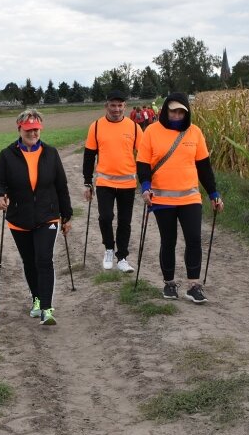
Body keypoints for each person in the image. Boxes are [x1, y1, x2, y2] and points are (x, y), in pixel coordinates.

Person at [136, 92, 224, 303]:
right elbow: (143, 164)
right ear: (166, 110)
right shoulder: (151, 132)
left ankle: (194, 285)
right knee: (169, 241)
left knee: (194, 239)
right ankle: (169, 284)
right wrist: (146, 188)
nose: (177, 115)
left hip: (190, 197)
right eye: (173, 110)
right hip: (162, 198)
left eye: (181, 112)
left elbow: (204, 167)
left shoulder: (195, 133)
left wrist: (213, 193)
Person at [0, 109, 73, 325]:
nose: (33, 133)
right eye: (29, 129)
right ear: (19, 129)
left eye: (36, 129)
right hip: (19, 218)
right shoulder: (7, 155)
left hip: (48, 216)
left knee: (44, 259)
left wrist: (67, 216)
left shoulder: (51, 153)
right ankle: (36, 300)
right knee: (29, 261)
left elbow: (61, 187)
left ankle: (47, 308)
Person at [83, 90, 143, 273]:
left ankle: (122, 257)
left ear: (125, 106)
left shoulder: (134, 127)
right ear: (106, 106)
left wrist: (147, 181)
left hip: (127, 183)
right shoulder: (96, 126)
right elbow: (89, 156)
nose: (116, 109)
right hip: (105, 182)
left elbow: (143, 156)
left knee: (125, 222)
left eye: (120, 105)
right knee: (106, 217)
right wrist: (87, 182)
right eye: (113, 105)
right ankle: (109, 249)